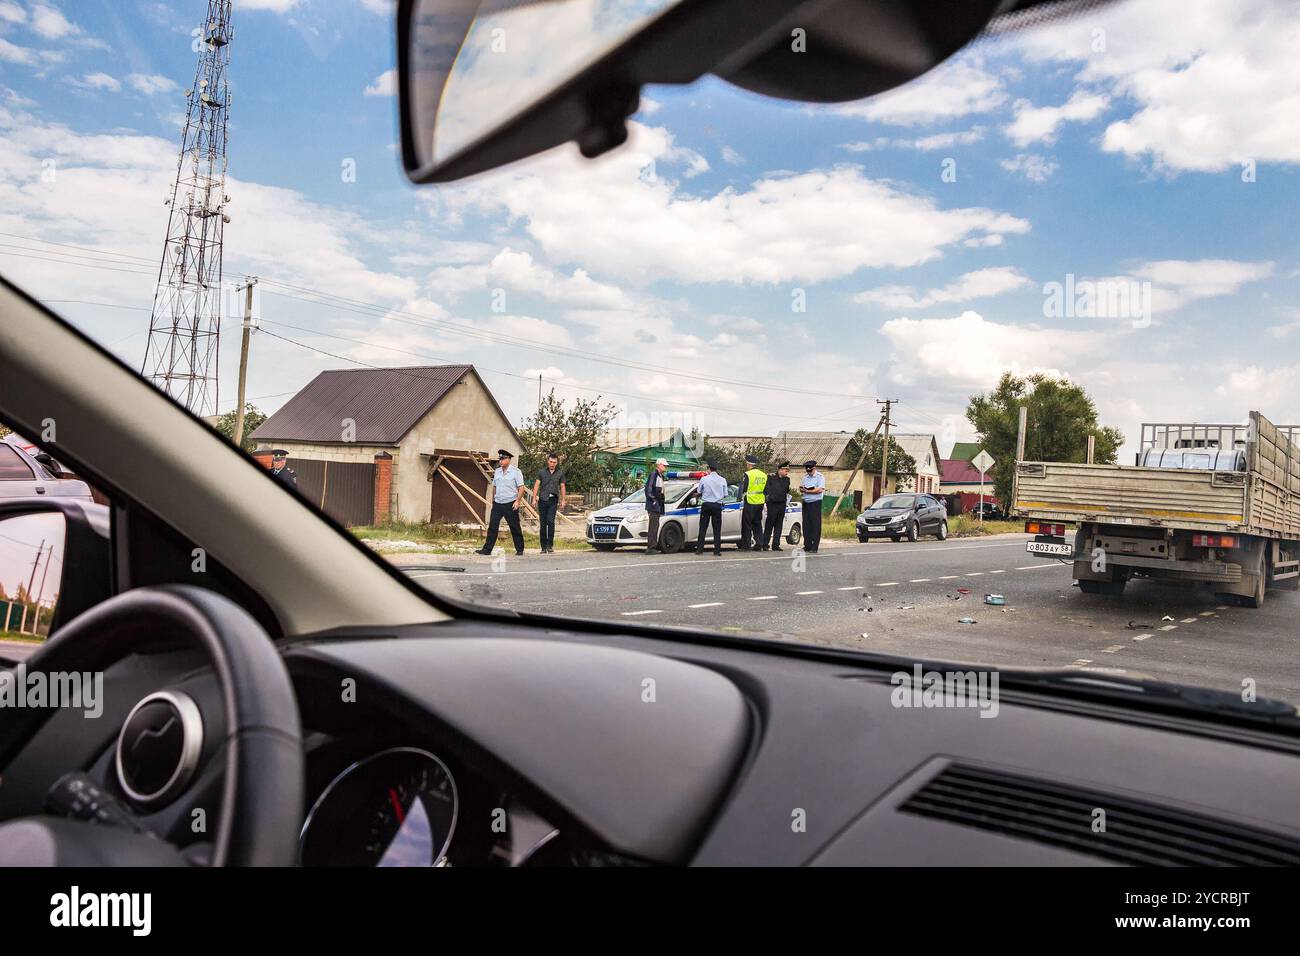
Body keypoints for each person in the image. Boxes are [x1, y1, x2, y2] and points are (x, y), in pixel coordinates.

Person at [476, 449, 525, 556]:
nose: (501, 461)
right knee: (492, 526)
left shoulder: (516, 472)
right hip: (498, 503)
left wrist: (517, 501)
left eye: (503, 459)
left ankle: (520, 549)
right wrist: (493, 500)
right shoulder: (497, 471)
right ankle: (487, 549)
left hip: (510, 503)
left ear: (509, 459)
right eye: (500, 459)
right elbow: (494, 487)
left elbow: (521, 488)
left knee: (514, 527)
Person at [531, 452, 566, 554]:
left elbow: (562, 486)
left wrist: (563, 500)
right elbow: (537, 485)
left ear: (557, 463)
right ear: (548, 461)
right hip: (542, 500)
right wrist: (533, 498)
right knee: (543, 524)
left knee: (550, 522)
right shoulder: (541, 472)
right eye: (550, 462)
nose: (552, 464)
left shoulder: (560, 473)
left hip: (553, 500)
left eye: (554, 462)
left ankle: (549, 545)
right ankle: (543, 547)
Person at [693, 460, 728, 555]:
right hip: (717, 505)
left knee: (703, 528)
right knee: (717, 529)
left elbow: (699, 491)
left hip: (706, 505)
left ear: (709, 469)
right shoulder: (722, 480)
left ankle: (700, 550)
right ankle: (717, 551)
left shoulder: (704, 479)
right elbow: (725, 495)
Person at [737, 453, 767, 550]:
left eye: (747, 464)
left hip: (750, 502)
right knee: (757, 523)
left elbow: (744, 488)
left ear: (749, 465)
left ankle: (746, 545)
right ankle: (759, 544)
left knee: (747, 524)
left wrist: (739, 497)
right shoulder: (763, 475)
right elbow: (766, 490)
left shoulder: (748, 474)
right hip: (760, 502)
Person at [763, 460, 791, 551]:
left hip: (782, 504)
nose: (787, 472)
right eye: (785, 470)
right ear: (780, 470)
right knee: (769, 525)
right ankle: (765, 544)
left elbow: (786, 491)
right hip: (772, 504)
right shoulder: (770, 478)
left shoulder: (787, 480)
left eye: (787, 471)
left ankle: (776, 544)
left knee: (779, 525)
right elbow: (766, 490)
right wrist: (769, 498)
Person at [643, 457, 668, 554]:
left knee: (655, 526)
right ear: (659, 465)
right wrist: (653, 500)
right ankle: (651, 547)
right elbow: (648, 489)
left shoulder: (660, 476)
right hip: (654, 505)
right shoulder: (654, 474)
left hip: (657, 505)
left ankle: (653, 546)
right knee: (653, 527)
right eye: (664, 465)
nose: (665, 467)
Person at [800, 459, 825, 553]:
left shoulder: (820, 477)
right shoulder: (805, 477)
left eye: (810, 470)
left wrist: (808, 491)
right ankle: (807, 545)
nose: (809, 472)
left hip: (815, 503)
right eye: (807, 470)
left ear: (814, 468)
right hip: (806, 502)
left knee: (815, 525)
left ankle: (814, 547)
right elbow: (802, 487)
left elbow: (820, 490)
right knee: (806, 525)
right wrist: (802, 489)